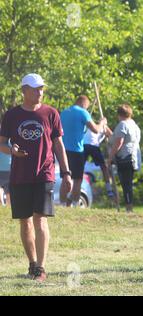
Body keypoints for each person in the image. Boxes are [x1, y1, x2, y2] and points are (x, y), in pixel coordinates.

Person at [0, 73, 72, 282]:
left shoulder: (51, 113)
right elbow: (1, 143)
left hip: (44, 173)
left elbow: (58, 145)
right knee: (25, 223)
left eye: (41, 88)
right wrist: (11, 150)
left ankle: (41, 267)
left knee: (40, 220)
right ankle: (31, 263)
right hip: (20, 176)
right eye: (34, 88)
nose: (39, 92)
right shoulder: (11, 115)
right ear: (24, 91)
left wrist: (66, 173)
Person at [60, 96, 107, 206]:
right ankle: (76, 203)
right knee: (77, 179)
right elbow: (96, 130)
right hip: (77, 150)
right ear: (84, 104)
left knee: (65, 178)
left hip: (63, 150)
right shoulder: (83, 112)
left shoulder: (64, 112)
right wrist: (102, 123)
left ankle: (62, 204)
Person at [107, 104, 141, 213]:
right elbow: (115, 137)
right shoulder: (134, 125)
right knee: (128, 184)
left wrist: (110, 157)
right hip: (133, 157)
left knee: (126, 184)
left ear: (119, 114)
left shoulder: (122, 124)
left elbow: (119, 142)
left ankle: (129, 209)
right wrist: (106, 128)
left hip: (125, 158)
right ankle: (129, 207)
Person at [83, 127, 115, 197]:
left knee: (104, 167)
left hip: (93, 146)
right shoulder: (95, 125)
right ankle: (78, 186)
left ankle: (109, 189)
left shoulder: (103, 127)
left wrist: (106, 129)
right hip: (88, 145)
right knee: (80, 168)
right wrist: (103, 123)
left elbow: (112, 136)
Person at [0, 125, 11, 206]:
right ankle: (8, 204)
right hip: (9, 167)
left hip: (6, 168)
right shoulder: (10, 140)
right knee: (9, 189)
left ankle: (2, 204)